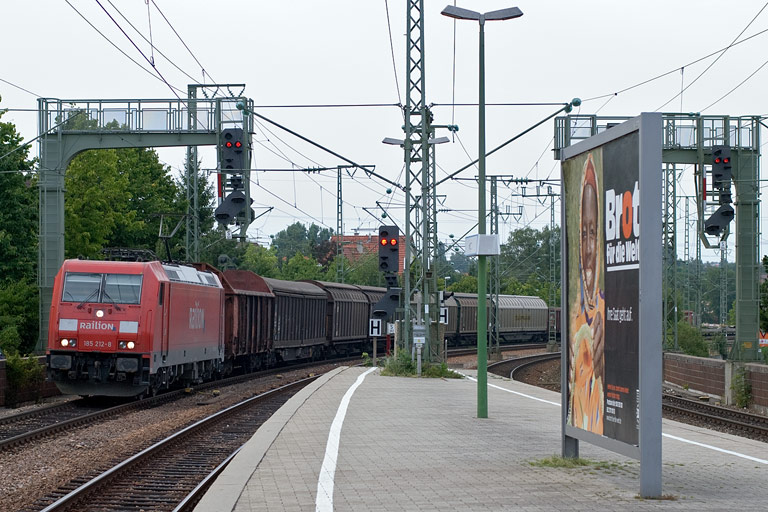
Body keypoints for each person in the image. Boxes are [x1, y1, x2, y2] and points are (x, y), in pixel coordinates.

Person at [568, 153, 605, 435]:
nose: (589, 248)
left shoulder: (608, 313)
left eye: (594, 233)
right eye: (583, 234)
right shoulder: (575, 317)